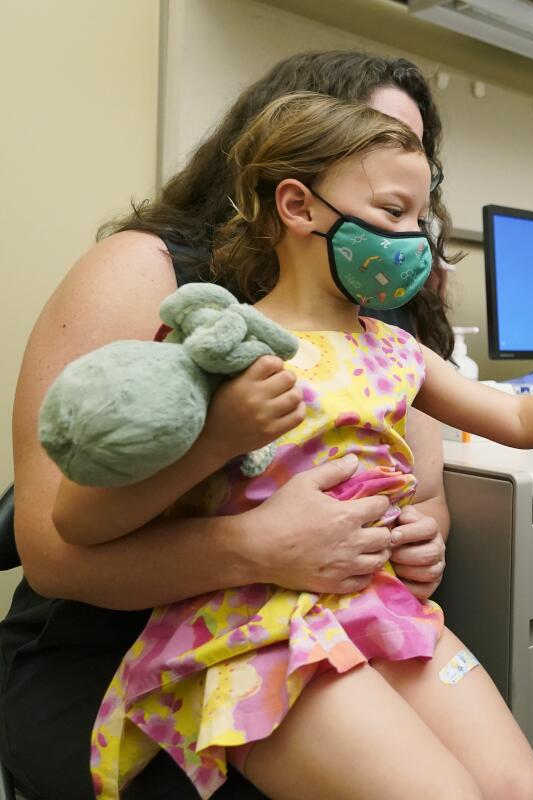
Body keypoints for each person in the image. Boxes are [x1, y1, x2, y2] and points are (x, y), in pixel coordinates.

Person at [54, 92, 533, 799]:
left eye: (420, 220)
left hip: (378, 608)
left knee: (518, 787)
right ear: (298, 206)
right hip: (256, 627)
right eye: (392, 214)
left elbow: (516, 421)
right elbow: (78, 519)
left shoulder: (397, 350)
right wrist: (217, 438)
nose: (414, 239)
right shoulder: (220, 348)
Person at [0, 51, 462, 799]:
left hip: (317, 621)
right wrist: (258, 546)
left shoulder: (370, 319)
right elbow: (53, 552)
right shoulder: (145, 274)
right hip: (116, 644)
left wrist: (421, 536)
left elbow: (425, 491)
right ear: (296, 178)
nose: (403, 216)